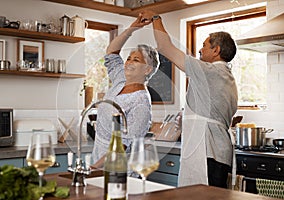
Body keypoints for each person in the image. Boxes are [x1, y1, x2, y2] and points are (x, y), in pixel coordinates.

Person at [139, 11, 238, 188]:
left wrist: (156, 18)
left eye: (204, 45)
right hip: (217, 152)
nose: (200, 50)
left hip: (208, 152)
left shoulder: (209, 71)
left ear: (216, 50)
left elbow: (164, 47)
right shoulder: (225, 75)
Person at [91, 14, 160, 168]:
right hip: (99, 158)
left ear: (147, 69)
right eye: (129, 58)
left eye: (136, 60)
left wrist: (95, 167)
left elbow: (123, 146)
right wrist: (133, 28)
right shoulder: (120, 80)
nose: (128, 62)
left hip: (120, 168)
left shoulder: (141, 102)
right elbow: (111, 53)